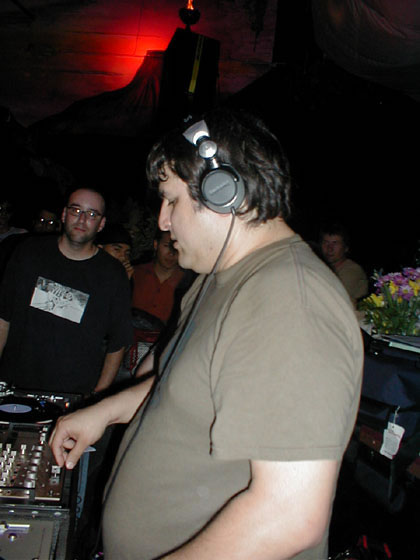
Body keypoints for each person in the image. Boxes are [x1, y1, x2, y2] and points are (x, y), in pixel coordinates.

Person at [50, 110, 363, 560]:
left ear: (223, 192)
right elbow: (182, 384)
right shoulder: (218, 279)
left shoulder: (290, 300)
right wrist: (105, 412)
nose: (162, 221)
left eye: (171, 201)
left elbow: (289, 515)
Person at [0, 188, 133, 396]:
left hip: (73, 395)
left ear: (101, 224)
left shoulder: (112, 274)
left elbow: (118, 342)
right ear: (64, 215)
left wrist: (99, 395)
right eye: (76, 210)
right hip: (15, 386)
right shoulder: (29, 253)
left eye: (92, 214)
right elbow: (3, 318)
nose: (82, 219)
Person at [131, 228, 186, 324]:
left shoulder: (186, 282)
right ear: (156, 245)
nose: (171, 253)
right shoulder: (135, 273)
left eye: (176, 247)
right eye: (166, 246)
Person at [319, 222, 369, 305]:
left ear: (346, 248)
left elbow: (333, 298)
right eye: (326, 243)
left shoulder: (352, 270)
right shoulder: (320, 267)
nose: (329, 248)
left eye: (335, 243)